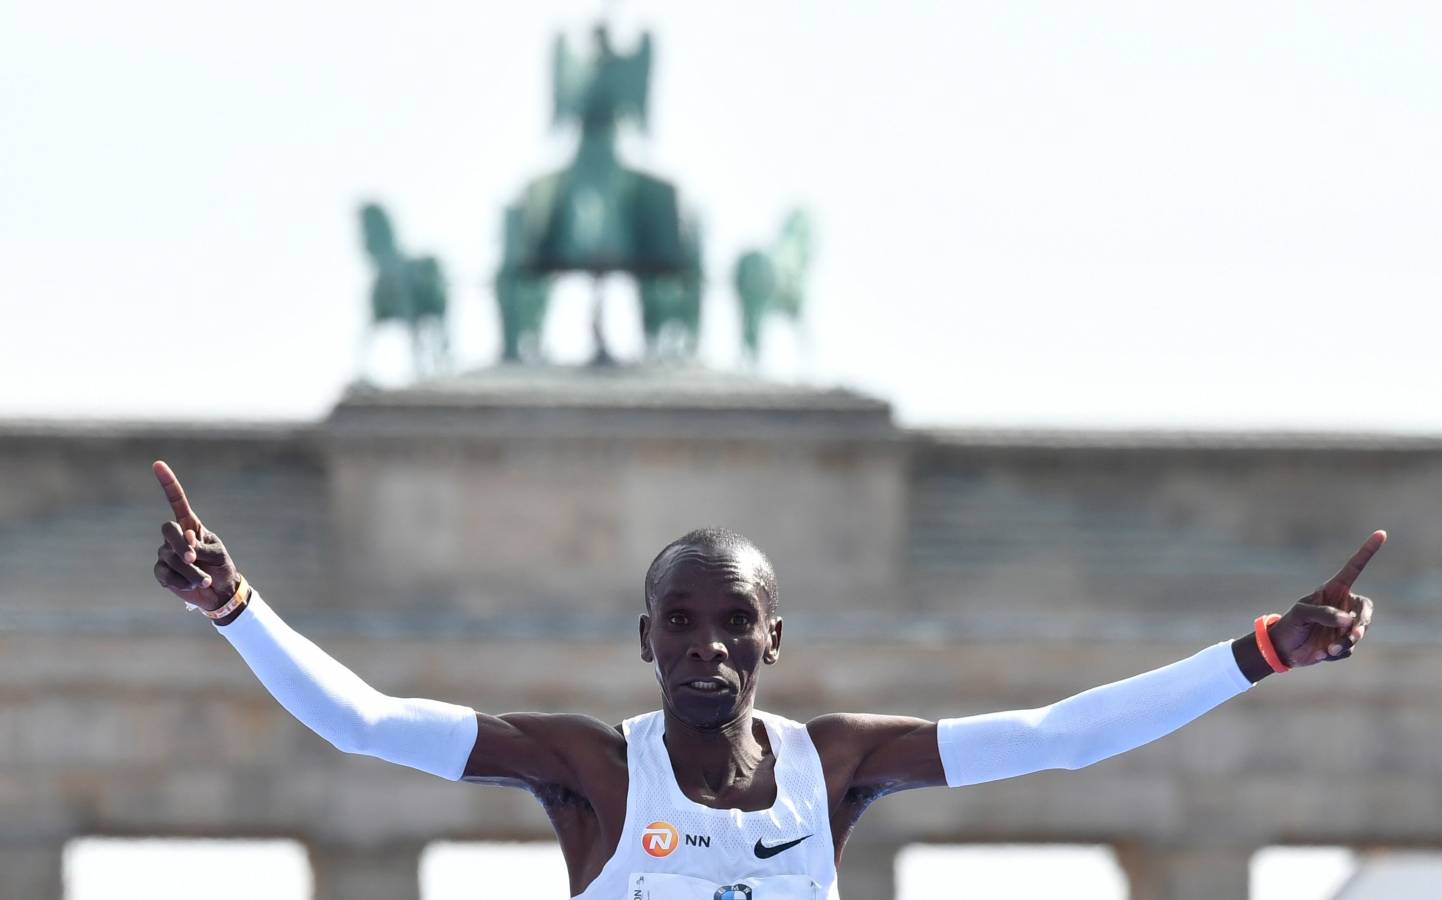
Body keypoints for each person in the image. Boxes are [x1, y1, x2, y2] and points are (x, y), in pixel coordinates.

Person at [149, 460, 1381, 899]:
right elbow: (364, 723)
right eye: (676, 623)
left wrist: (1262, 651)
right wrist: (235, 607)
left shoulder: (833, 765)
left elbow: (1058, 735)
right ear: (644, 643)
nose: (705, 646)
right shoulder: (590, 770)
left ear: (771, 642)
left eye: (732, 622)